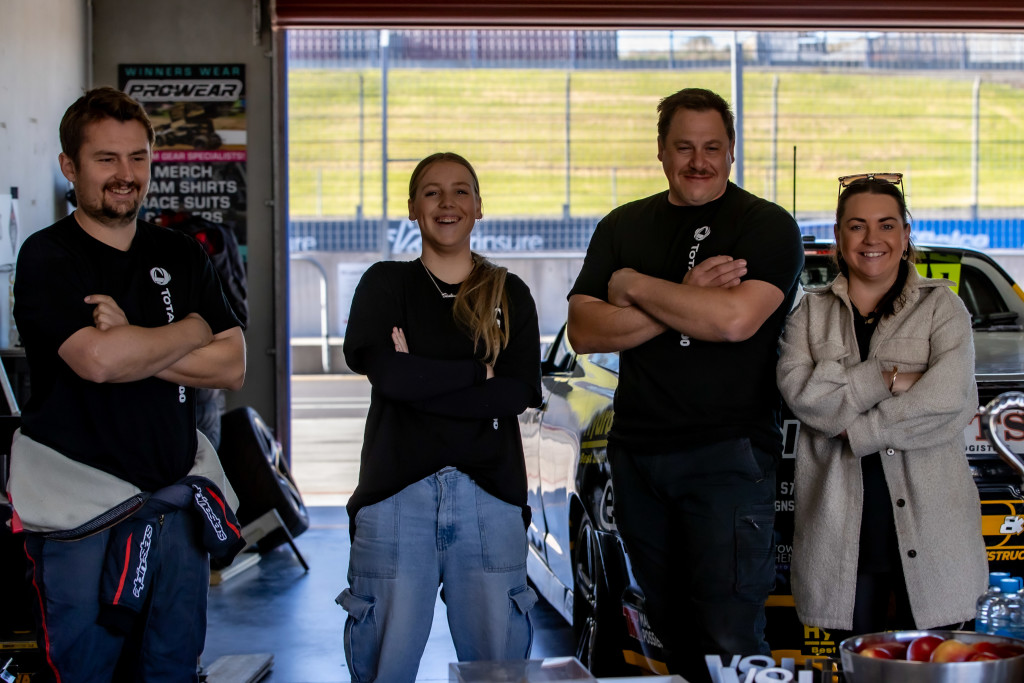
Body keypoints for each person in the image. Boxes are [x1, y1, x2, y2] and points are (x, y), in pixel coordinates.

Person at [7, 86, 246, 682]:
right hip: (79, 516)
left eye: (138, 157)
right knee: (84, 672)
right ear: (70, 166)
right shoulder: (47, 256)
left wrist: (135, 341)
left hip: (174, 505)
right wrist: (192, 329)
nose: (125, 174)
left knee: (173, 668)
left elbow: (232, 366)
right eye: (106, 158)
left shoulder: (181, 253)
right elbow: (98, 363)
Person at [566, 87, 804, 681]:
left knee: (729, 635)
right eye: (684, 147)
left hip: (727, 457)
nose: (698, 161)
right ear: (661, 150)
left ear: (732, 150)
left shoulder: (765, 226)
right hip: (640, 458)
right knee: (668, 629)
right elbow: (585, 330)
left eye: (712, 147)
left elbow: (733, 320)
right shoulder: (623, 225)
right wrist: (688, 297)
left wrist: (635, 287)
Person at [338, 152, 542, 682]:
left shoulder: (509, 293)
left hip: (490, 498)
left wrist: (420, 379)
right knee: (386, 671)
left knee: (497, 672)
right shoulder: (386, 284)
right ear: (412, 208)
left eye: (460, 191)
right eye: (432, 192)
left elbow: (516, 393)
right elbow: (390, 376)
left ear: (479, 206)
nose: (447, 202)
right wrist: (478, 373)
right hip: (396, 497)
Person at [777, 173, 987, 640]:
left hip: (938, 540)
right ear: (839, 235)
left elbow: (949, 399)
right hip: (842, 543)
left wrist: (856, 430)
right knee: (855, 667)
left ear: (905, 234)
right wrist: (888, 379)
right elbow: (806, 398)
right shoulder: (807, 316)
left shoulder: (943, 308)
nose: (872, 239)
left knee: (940, 666)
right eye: (857, 226)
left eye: (887, 225)